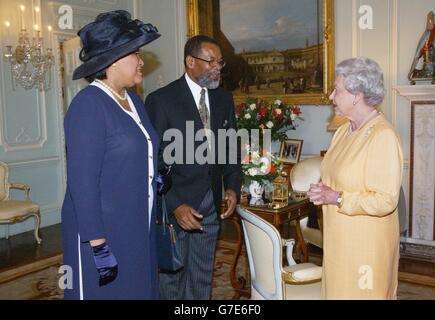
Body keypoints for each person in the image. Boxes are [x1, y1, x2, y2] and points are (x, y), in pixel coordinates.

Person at [61, 10, 161, 300]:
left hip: (137, 219)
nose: (142, 61)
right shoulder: (88, 106)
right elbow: (82, 184)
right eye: (136, 53)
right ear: (114, 59)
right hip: (104, 229)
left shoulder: (133, 100)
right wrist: (98, 244)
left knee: (138, 287)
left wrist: (158, 174)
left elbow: (141, 147)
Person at [145, 35, 241, 300]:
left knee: (201, 275)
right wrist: (174, 204)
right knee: (172, 277)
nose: (217, 68)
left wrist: (232, 186)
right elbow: (153, 161)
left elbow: (230, 147)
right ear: (190, 61)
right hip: (175, 205)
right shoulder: (161, 100)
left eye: (220, 62)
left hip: (211, 201)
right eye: (211, 61)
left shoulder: (223, 99)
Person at [308, 57, 403, 299]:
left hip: (365, 250)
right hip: (338, 242)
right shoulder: (342, 131)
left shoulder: (383, 136)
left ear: (357, 95)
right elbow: (337, 176)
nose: (331, 97)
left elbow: (385, 201)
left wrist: (337, 198)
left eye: (337, 90)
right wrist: (323, 191)